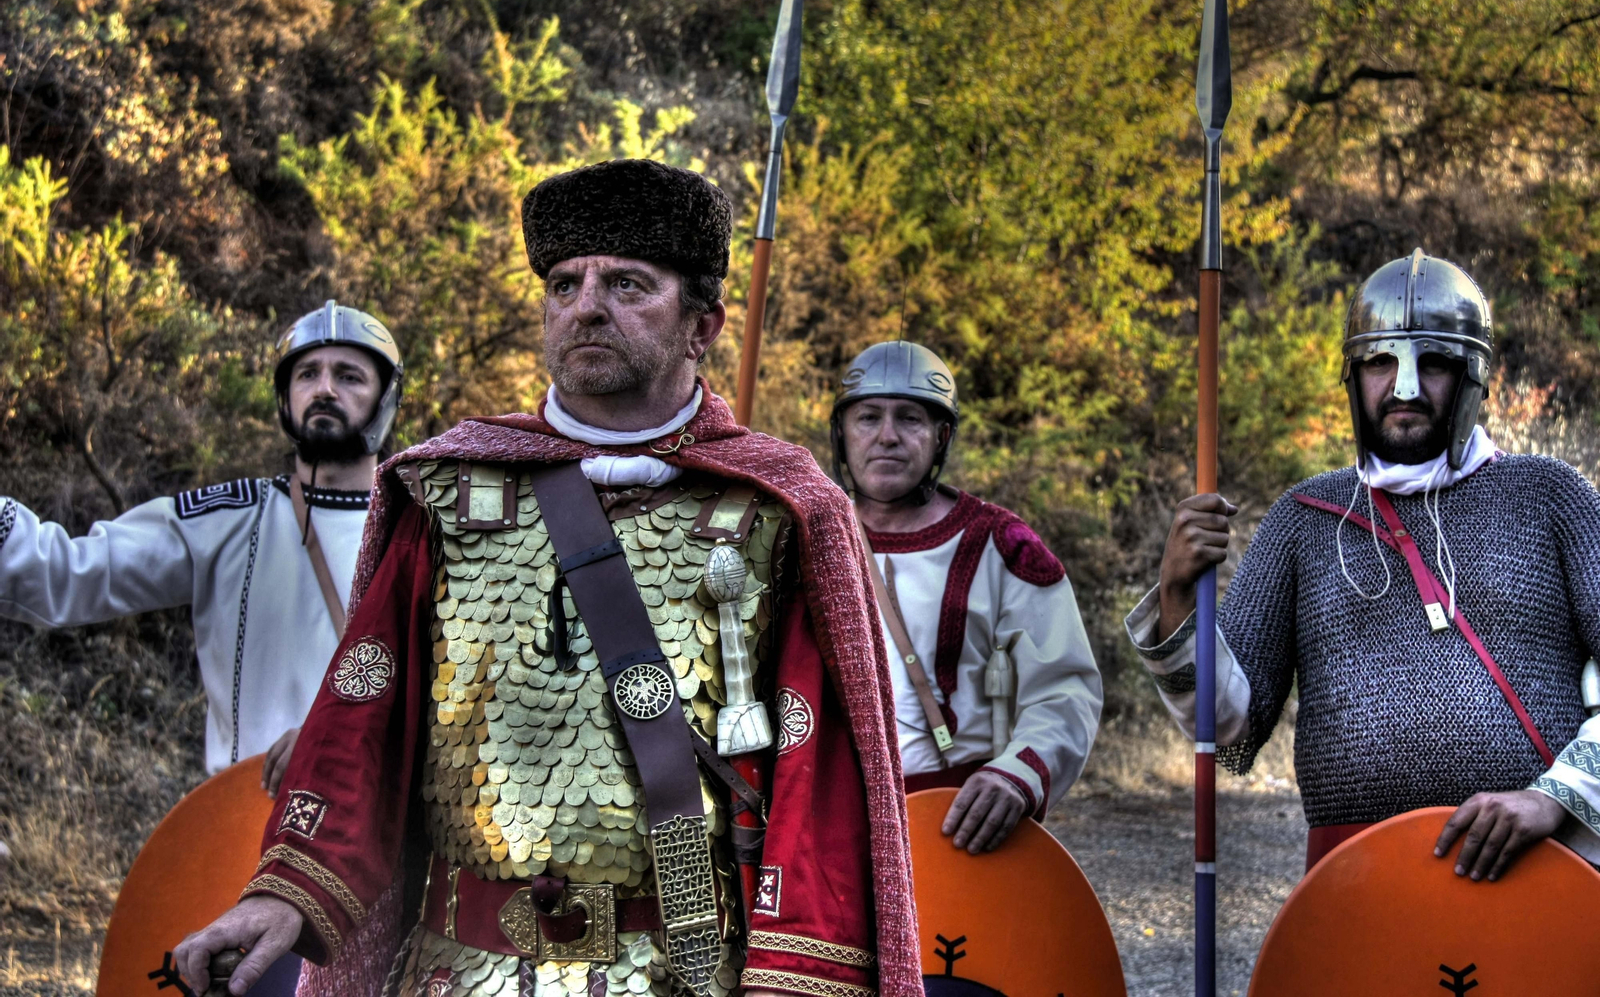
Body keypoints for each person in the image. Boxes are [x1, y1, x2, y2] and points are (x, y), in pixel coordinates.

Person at [173, 159, 921, 997]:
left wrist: (795, 978)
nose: (588, 305)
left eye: (628, 284)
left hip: (680, 974)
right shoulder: (448, 492)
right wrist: (285, 891)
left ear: (702, 325)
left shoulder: (775, 509)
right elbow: (363, 718)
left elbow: (817, 779)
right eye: (565, 284)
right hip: (454, 973)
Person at [1130, 248, 1600, 879]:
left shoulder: (1550, 497)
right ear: (1353, 376)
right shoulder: (1305, 516)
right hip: (1355, 873)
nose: (1404, 387)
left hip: (1533, 865)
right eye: (1381, 362)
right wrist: (1177, 596)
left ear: (1472, 376)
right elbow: (1228, 725)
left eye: (1432, 362)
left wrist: (1555, 796)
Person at [0, 301, 403, 790]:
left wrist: (335, 736)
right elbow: (64, 574)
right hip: (241, 836)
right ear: (285, 396)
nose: (323, 388)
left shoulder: (419, 534)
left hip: (378, 841)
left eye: (349, 376)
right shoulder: (228, 519)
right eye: (306, 374)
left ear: (386, 398)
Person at [831, 340, 1102, 854]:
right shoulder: (801, 536)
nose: (887, 437)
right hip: (829, 830)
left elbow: (1066, 690)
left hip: (957, 828)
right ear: (842, 434)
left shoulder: (1003, 546)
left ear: (941, 436)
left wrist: (1017, 776)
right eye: (868, 417)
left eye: (910, 419)